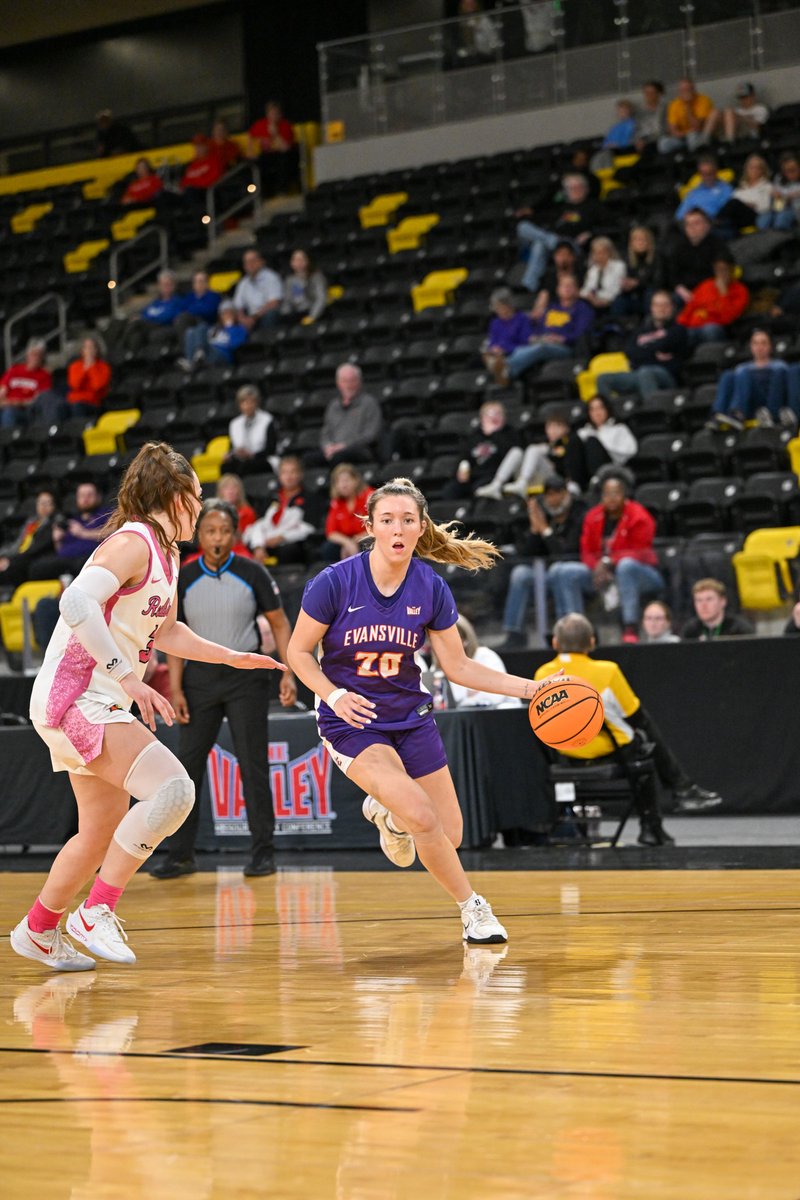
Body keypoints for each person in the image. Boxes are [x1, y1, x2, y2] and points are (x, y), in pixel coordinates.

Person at [10, 443, 287, 972]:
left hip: (94, 698)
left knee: (96, 831)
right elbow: (75, 603)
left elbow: (166, 630)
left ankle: (40, 930)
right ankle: (96, 912)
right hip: (79, 695)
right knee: (175, 790)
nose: (202, 509)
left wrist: (231, 656)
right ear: (174, 496)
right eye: (198, 498)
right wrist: (125, 678)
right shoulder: (135, 540)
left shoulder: (169, 553)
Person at [286, 476, 559, 945]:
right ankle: (473, 909)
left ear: (420, 527)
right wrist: (333, 696)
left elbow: (459, 666)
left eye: (407, 520)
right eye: (387, 519)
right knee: (422, 815)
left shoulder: (430, 587)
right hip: (352, 720)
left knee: (447, 834)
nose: (397, 527)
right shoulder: (334, 583)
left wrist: (532, 688)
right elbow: (297, 653)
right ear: (369, 526)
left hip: (411, 719)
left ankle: (388, 815)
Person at [152, 499, 297, 880]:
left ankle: (263, 853)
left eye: (224, 531)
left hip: (246, 677)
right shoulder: (183, 575)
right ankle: (181, 855)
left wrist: (288, 672)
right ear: (198, 535)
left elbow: (280, 624)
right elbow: (172, 637)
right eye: (210, 531)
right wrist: (177, 688)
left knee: (253, 764)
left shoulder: (253, 572)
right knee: (186, 768)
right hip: (199, 680)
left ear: (235, 534)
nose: (217, 538)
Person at [535, 615, 718, 842]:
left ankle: (682, 789)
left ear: (554, 642)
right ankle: (656, 821)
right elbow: (635, 716)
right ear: (592, 642)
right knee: (644, 740)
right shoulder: (607, 671)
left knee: (640, 736)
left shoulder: (542, 674)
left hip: (564, 756)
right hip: (608, 754)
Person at [548, 471, 663, 642]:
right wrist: (597, 567)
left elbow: (641, 552)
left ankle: (629, 626)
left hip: (642, 573)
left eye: (616, 493)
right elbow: (586, 550)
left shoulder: (639, 516)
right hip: (602, 574)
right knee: (563, 571)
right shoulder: (593, 516)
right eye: (607, 494)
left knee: (626, 566)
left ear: (624, 495)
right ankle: (575, 631)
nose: (611, 498)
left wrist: (609, 562)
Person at [499, 476, 587, 650]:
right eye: (549, 495)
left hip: (580, 571)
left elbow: (567, 554)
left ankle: (572, 633)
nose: (553, 499)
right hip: (550, 573)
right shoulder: (544, 516)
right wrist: (534, 528)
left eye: (557, 493)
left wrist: (546, 531)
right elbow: (526, 555)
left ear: (566, 494)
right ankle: (514, 633)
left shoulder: (579, 514)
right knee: (521, 573)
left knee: (560, 570)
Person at [516, 174, 608, 294]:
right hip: (554, 240)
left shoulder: (593, 205)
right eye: (571, 188)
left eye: (578, 187)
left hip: (574, 244)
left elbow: (609, 224)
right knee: (523, 227)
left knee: (540, 244)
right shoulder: (562, 207)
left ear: (586, 189)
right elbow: (546, 218)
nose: (575, 190)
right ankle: (530, 284)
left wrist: (590, 233)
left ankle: (529, 284)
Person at [494, 275, 594, 383]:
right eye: (563, 285)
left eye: (570, 286)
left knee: (541, 348)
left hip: (565, 347)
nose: (566, 288)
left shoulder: (582, 309)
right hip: (544, 340)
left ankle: (506, 370)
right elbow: (539, 328)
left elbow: (581, 333)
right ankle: (501, 366)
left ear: (577, 289)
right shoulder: (551, 308)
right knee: (521, 347)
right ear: (557, 289)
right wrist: (536, 336)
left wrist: (563, 338)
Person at [597, 291, 688, 403]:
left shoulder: (678, 330)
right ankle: (614, 415)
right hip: (637, 373)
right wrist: (654, 353)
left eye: (665, 305)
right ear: (652, 308)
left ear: (672, 308)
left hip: (666, 375)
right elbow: (629, 352)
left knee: (645, 373)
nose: (661, 309)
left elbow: (665, 345)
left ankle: (653, 414)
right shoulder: (641, 331)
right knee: (603, 379)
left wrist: (643, 350)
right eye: (658, 305)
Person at [476, 411, 588, 499]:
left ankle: (522, 483)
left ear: (566, 429)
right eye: (550, 427)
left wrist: (549, 452)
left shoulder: (570, 443)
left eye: (557, 426)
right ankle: (497, 484)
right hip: (534, 476)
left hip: (556, 479)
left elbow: (570, 466)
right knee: (516, 451)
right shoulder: (543, 443)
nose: (553, 430)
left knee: (533, 449)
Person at [707, 329, 796, 431]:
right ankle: (717, 415)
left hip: (768, 404)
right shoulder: (742, 367)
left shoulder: (780, 366)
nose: (760, 347)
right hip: (749, 403)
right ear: (751, 346)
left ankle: (738, 414)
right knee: (728, 375)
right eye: (756, 343)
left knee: (744, 373)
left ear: (770, 346)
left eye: (763, 343)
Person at [29, 482, 112, 582]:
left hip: (89, 558)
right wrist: (57, 540)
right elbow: (60, 549)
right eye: (82, 496)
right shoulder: (71, 519)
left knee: (81, 565)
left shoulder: (107, 514)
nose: (85, 499)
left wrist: (83, 533)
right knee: (36, 567)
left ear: (98, 497)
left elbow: (112, 533)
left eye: (89, 495)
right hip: (64, 559)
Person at [243, 454, 317, 567]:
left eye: (293, 472)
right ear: (279, 475)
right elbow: (259, 524)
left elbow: (309, 527)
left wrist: (282, 537)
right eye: (284, 472)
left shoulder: (310, 498)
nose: (289, 476)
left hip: (291, 543)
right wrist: (258, 546)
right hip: (266, 541)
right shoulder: (271, 497)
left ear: (300, 474)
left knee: (289, 550)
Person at [446, 399, 520, 500]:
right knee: (450, 490)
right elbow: (464, 457)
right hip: (474, 475)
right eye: (490, 414)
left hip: (494, 475)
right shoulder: (474, 436)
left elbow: (512, 455)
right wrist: (459, 473)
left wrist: (495, 434)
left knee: (479, 488)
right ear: (482, 418)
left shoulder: (510, 434)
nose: (494, 418)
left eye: (498, 414)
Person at [655, 209, 731, 305]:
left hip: (708, 290)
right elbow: (672, 276)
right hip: (684, 293)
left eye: (696, 223)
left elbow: (722, 266)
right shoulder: (678, 246)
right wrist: (681, 291)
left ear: (707, 225)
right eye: (688, 224)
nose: (691, 227)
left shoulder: (717, 245)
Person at [313, 363, 383, 467]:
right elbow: (325, 433)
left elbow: (371, 434)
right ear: (338, 383)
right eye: (345, 381)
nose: (348, 385)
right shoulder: (333, 406)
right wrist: (328, 447)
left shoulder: (369, 403)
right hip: (334, 450)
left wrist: (344, 446)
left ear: (359, 382)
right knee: (309, 458)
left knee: (339, 457)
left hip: (359, 450)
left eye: (352, 380)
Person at [444, 616, 521, 710]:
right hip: (466, 715)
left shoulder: (485, 656)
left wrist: (465, 696)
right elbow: (444, 698)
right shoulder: (443, 663)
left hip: (502, 712)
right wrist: (470, 692)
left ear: (465, 639)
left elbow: (495, 695)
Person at [676, 254, 749, 345]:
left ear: (732, 269)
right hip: (693, 325)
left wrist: (723, 293)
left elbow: (727, 318)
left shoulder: (740, 290)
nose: (721, 273)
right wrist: (679, 326)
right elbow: (690, 307)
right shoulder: (706, 285)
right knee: (678, 333)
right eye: (718, 269)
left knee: (710, 330)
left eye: (724, 269)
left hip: (717, 327)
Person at [0, 490, 59, 590]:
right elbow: (17, 543)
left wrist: (10, 560)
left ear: (54, 506)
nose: (43, 507)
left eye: (47, 503)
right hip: (18, 555)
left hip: (33, 558)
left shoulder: (55, 523)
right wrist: (3, 556)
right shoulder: (31, 522)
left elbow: (36, 548)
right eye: (41, 503)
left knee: (12, 567)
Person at [116, 270, 184, 353]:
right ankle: (132, 358)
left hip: (162, 326)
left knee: (136, 323)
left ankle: (119, 348)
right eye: (162, 284)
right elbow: (144, 313)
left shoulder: (177, 301)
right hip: (148, 326)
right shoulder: (155, 302)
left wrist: (146, 318)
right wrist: (142, 317)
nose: (164, 287)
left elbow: (168, 317)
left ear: (173, 286)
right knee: (135, 333)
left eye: (167, 284)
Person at [222, 384, 278, 477]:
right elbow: (232, 447)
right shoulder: (234, 424)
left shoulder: (267, 420)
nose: (248, 406)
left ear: (257, 403)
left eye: (251, 402)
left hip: (262, 459)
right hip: (241, 460)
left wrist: (252, 455)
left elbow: (271, 449)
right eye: (244, 402)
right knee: (226, 467)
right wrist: (230, 455)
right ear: (239, 405)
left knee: (249, 466)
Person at [481, 288, 533, 386]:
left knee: (518, 354)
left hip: (514, 351)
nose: (497, 310)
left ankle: (501, 370)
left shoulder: (522, 318)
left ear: (508, 305)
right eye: (496, 307)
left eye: (500, 307)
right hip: (497, 354)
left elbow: (525, 341)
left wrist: (505, 349)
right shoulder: (495, 323)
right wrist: (494, 348)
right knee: (486, 355)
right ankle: (499, 369)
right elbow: (493, 341)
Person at [247, 100, 298, 197]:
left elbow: (286, 148)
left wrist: (275, 133)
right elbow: (251, 143)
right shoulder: (259, 125)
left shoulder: (285, 125)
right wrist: (251, 153)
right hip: (264, 156)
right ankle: (260, 194)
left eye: (276, 113)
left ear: (280, 114)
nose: (273, 116)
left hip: (281, 155)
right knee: (255, 165)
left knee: (283, 161)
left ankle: (282, 191)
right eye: (271, 113)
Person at [577, 395, 638, 478]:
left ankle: (597, 479)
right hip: (585, 471)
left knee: (592, 441)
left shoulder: (619, 428)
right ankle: (574, 484)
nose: (597, 413)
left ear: (607, 409)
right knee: (575, 440)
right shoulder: (584, 431)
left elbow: (631, 450)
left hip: (612, 467)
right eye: (592, 410)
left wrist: (603, 446)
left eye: (600, 408)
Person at [323, 463, 374, 562]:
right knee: (329, 548)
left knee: (367, 544)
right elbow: (331, 532)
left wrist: (357, 539)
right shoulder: (336, 502)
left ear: (356, 481)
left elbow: (377, 524)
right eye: (339, 482)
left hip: (367, 536)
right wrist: (347, 543)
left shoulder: (369, 496)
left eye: (346, 480)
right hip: (348, 540)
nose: (343, 485)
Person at [0, 339, 51, 428]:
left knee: (9, 413)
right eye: (32, 354)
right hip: (6, 406)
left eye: (38, 355)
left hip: (26, 411)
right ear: (27, 354)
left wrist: (19, 403)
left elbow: (38, 400)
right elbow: (2, 391)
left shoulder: (44, 375)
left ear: (42, 357)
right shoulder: (14, 370)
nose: (34, 357)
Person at [181, 299, 247, 368]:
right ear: (221, 316)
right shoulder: (215, 329)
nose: (227, 315)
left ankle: (200, 353)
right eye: (224, 313)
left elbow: (235, 345)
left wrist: (229, 328)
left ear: (234, 315)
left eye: (229, 313)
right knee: (191, 331)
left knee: (203, 326)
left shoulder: (239, 329)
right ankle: (191, 360)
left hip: (223, 354)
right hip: (208, 351)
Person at [682, 578, 755, 639]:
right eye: (699, 600)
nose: (703, 605)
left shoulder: (739, 629)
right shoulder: (690, 631)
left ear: (722, 602)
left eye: (709, 599)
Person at [659, 78, 715, 154]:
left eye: (688, 90)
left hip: (699, 135)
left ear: (693, 90)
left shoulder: (703, 101)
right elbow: (673, 130)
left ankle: (694, 155)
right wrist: (685, 134)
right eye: (682, 90)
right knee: (663, 143)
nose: (685, 93)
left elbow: (697, 127)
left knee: (692, 137)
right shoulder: (674, 104)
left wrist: (687, 106)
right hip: (682, 137)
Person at [611, 226, 657, 318]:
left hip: (649, 294)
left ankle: (648, 325)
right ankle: (618, 327)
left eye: (642, 239)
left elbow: (658, 281)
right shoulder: (626, 259)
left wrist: (637, 283)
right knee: (618, 300)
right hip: (633, 295)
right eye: (636, 239)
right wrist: (625, 284)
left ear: (649, 241)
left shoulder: (657, 257)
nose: (639, 242)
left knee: (650, 294)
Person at [233, 249, 283, 332]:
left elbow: (274, 302)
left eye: (252, 261)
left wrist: (254, 317)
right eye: (247, 262)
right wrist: (242, 319)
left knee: (270, 315)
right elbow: (238, 306)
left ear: (261, 262)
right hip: (250, 318)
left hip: (265, 315)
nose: (250, 264)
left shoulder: (271, 277)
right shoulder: (243, 283)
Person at [675, 153, 733, 223]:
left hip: (715, 226)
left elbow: (725, 215)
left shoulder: (726, 189)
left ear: (716, 171)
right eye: (703, 174)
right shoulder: (694, 192)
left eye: (709, 173)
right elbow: (679, 216)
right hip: (692, 226)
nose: (706, 177)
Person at [64, 336, 111, 420]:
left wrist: (92, 367)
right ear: (82, 351)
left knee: (77, 407)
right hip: (74, 401)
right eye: (86, 347)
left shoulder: (104, 367)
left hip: (93, 402)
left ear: (96, 350)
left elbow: (97, 386)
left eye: (92, 347)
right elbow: (75, 385)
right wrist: (84, 369)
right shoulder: (74, 366)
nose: (89, 351)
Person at [580, 237, 627, 311]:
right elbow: (585, 289)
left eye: (602, 252)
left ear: (609, 252)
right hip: (594, 301)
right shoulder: (592, 270)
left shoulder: (618, 266)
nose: (599, 256)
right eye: (596, 253)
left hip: (611, 301)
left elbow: (617, 290)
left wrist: (601, 299)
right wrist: (591, 297)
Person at [281, 249, 328, 324]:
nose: (298, 262)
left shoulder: (317, 277)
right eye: (295, 260)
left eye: (301, 259)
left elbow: (321, 299)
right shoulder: (289, 280)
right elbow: (287, 300)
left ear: (307, 261)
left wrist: (312, 317)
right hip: (296, 313)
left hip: (313, 312)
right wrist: (286, 315)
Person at [173, 269, 221, 341]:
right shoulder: (189, 296)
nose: (199, 284)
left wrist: (190, 310)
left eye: (201, 281)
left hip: (206, 324)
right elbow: (179, 309)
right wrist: (195, 309)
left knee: (184, 319)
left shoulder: (213, 296)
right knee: (181, 320)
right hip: (189, 323)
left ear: (207, 283)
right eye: (196, 281)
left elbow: (208, 311)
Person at [215, 474, 256, 544]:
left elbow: (247, 539)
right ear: (220, 492)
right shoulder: (212, 512)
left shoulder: (248, 512)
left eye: (234, 487)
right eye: (226, 487)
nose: (230, 491)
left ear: (239, 492)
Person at [767, 152, 800, 232]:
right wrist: (775, 195)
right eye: (786, 171)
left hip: (796, 210)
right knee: (764, 219)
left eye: (793, 170)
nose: (790, 174)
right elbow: (778, 204)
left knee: (782, 218)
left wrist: (789, 196)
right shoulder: (779, 178)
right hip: (781, 208)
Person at [634, 80, 666, 153]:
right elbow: (637, 130)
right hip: (642, 143)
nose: (648, 96)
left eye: (651, 93)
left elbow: (663, 130)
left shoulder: (665, 109)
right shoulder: (639, 112)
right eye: (646, 93)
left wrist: (646, 140)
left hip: (658, 142)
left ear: (659, 94)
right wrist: (638, 140)